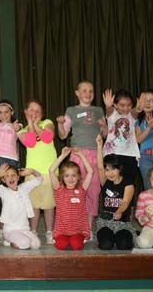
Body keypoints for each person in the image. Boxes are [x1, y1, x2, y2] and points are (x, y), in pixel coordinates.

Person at [57, 80, 105, 228]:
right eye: (84, 90)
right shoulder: (71, 111)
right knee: (75, 189)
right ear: (77, 93)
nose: (88, 94)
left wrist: (104, 127)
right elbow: (63, 135)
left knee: (93, 191)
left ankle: (88, 227)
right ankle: (75, 224)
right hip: (78, 154)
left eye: (91, 91)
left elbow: (105, 134)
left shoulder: (98, 110)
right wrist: (59, 123)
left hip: (95, 155)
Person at [17, 100, 57, 244]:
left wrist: (35, 125)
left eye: (37, 110)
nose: (34, 113)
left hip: (49, 172)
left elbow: (48, 137)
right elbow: (31, 142)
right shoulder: (21, 131)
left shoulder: (48, 123)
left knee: (48, 205)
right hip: (31, 173)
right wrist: (31, 126)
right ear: (26, 112)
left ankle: (49, 231)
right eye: (31, 110)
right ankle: (33, 231)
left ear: (42, 114)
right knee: (34, 205)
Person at [0, 95, 21, 244]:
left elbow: (21, 132)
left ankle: (13, 228)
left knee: (12, 196)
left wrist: (18, 128)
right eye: (0, 112)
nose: (3, 115)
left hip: (11, 160)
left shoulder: (16, 126)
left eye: (6, 112)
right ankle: (1, 230)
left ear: (11, 112)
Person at [0, 164, 42, 250]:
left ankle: (14, 241)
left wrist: (32, 171)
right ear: (3, 180)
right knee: (25, 243)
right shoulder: (4, 191)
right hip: (10, 230)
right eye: (7, 176)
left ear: (18, 177)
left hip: (25, 229)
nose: (11, 178)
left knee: (36, 244)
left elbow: (39, 180)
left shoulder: (24, 188)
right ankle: (10, 241)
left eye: (13, 175)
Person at [49, 146, 94, 250]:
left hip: (78, 230)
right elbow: (51, 171)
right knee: (61, 246)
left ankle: (81, 238)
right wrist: (63, 156)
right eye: (67, 176)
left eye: (74, 175)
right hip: (62, 230)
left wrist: (81, 155)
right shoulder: (59, 189)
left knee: (77, 246)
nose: (70, 179)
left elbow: (90, 171)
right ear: (62, 177)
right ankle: (60, 238)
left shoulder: (82, 189)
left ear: (78, 177)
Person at [95, 135, 135, 250]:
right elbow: (99, 167)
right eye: (107, 169)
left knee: (124, 245)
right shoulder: (105, 181)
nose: (110, 173)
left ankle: (122, 236)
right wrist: (99, 146)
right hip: (105, 222)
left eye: (113, 169)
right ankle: (106, 237)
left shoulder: (128, 183)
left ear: (120, 169)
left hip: (122, 223)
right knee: (106, 245)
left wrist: (119, 212)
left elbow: (126, 201)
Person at [102, 89, 140, 184]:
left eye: (129, 105)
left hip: (130, 155)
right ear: (115, 105)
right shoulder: (112, 115)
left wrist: (139, 108)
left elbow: (136, 112)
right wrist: (108, 106)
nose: (126, 108)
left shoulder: (132, 116)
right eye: (122, 105)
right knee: (112, 185)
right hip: (113, 154)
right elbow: (109, 111)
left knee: (128, 184)